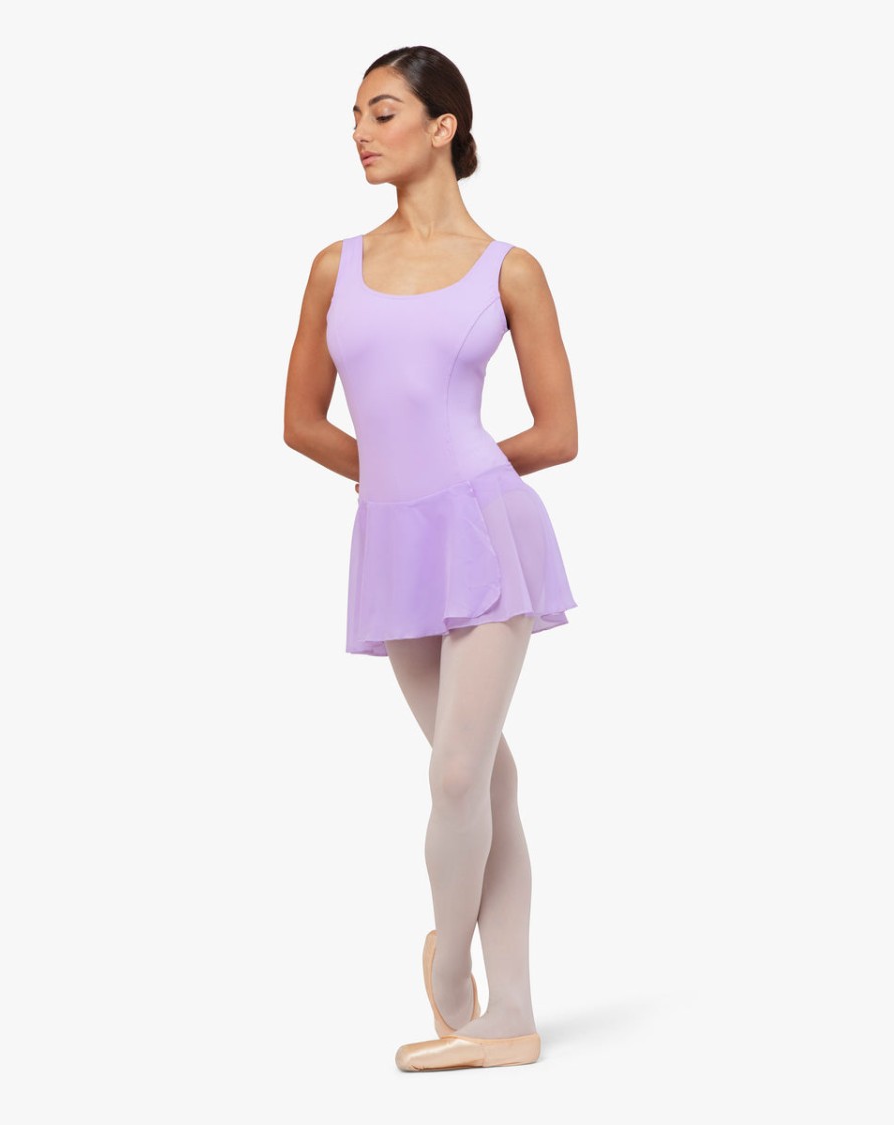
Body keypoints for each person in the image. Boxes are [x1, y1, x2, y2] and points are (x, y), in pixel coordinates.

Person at [283, 45, 579, 1071]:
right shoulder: (336, 266)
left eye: (383, 112)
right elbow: (301, 422)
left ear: (442, 126)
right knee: (483, 773)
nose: (360, 133)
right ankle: (514, 1016)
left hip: (486, 527)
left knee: (457, 771)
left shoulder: (510, 270)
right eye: (355, 117)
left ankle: (454, 972)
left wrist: (456, 477)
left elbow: (559, 433)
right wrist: (398, 481)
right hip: (394, 537)